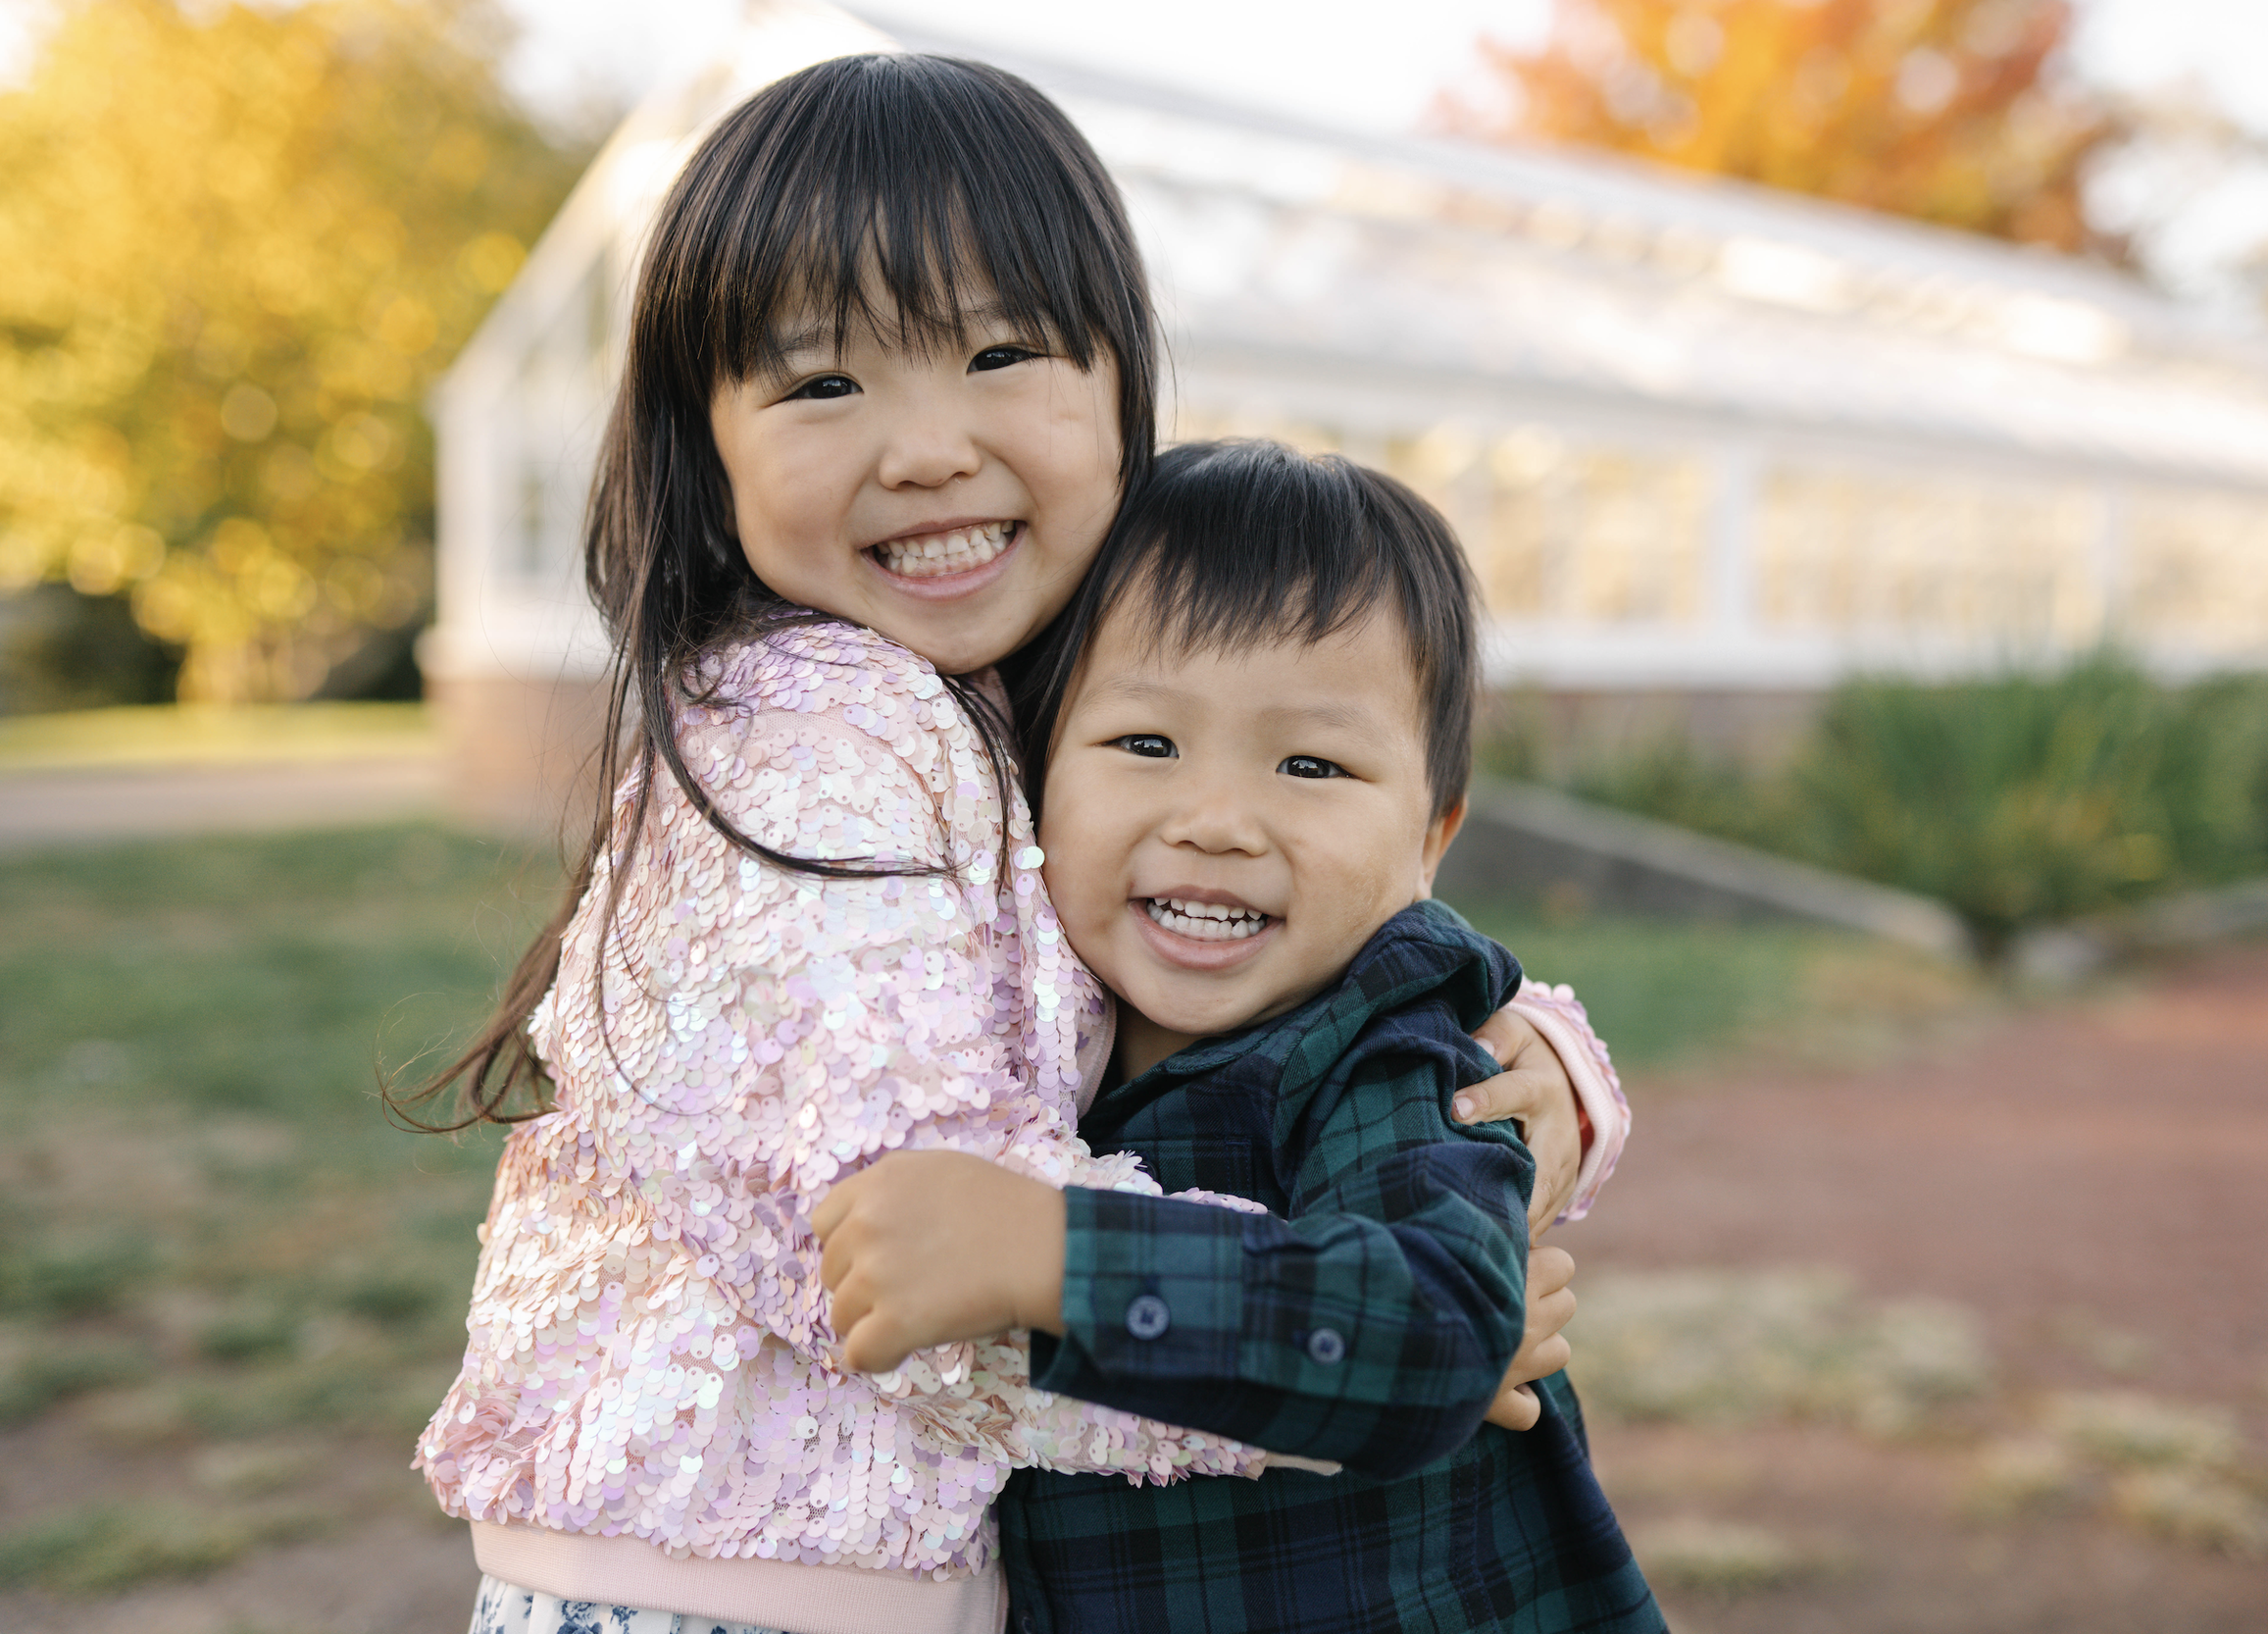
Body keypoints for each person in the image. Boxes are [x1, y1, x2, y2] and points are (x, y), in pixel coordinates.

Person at [392, 53, 1626, 1634]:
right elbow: (905, 1270)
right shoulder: (812, 747)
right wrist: (1365, 1368)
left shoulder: (1024, 697)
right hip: (725, 1599)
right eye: (825, 381)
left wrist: (1540, 1065)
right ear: (705, 444)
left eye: (999, 352)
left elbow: (1251, 988)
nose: (925, 447)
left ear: (1124, 388)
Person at [812, 439, 1663, 1633]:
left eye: (1310, 763)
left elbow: (1446, 1324)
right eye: (1146, 744)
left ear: (1432, 837)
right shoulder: (1015, 1012)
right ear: (1033, 773)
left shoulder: (1372, 1043)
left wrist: (1052, 1255)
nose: (1215, 821)